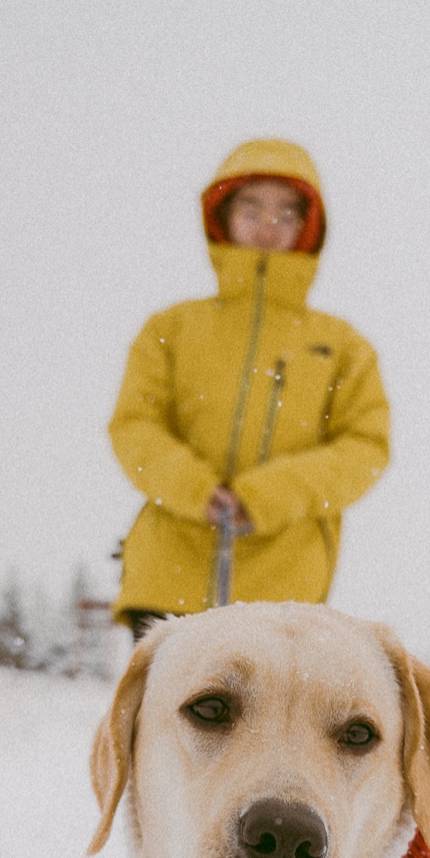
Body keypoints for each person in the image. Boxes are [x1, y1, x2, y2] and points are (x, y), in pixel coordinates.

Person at [108, 138, 390, 638]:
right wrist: (196, 490)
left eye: (286, 213)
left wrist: (265, 497)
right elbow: (135, 427)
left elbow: (364, 449)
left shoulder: (343, 346)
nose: (268, 226)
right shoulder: (170, 328)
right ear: (223, 215)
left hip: (285, 593)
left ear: (309, 227)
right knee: (158, 717)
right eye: (252, 208)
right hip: (166, 576)